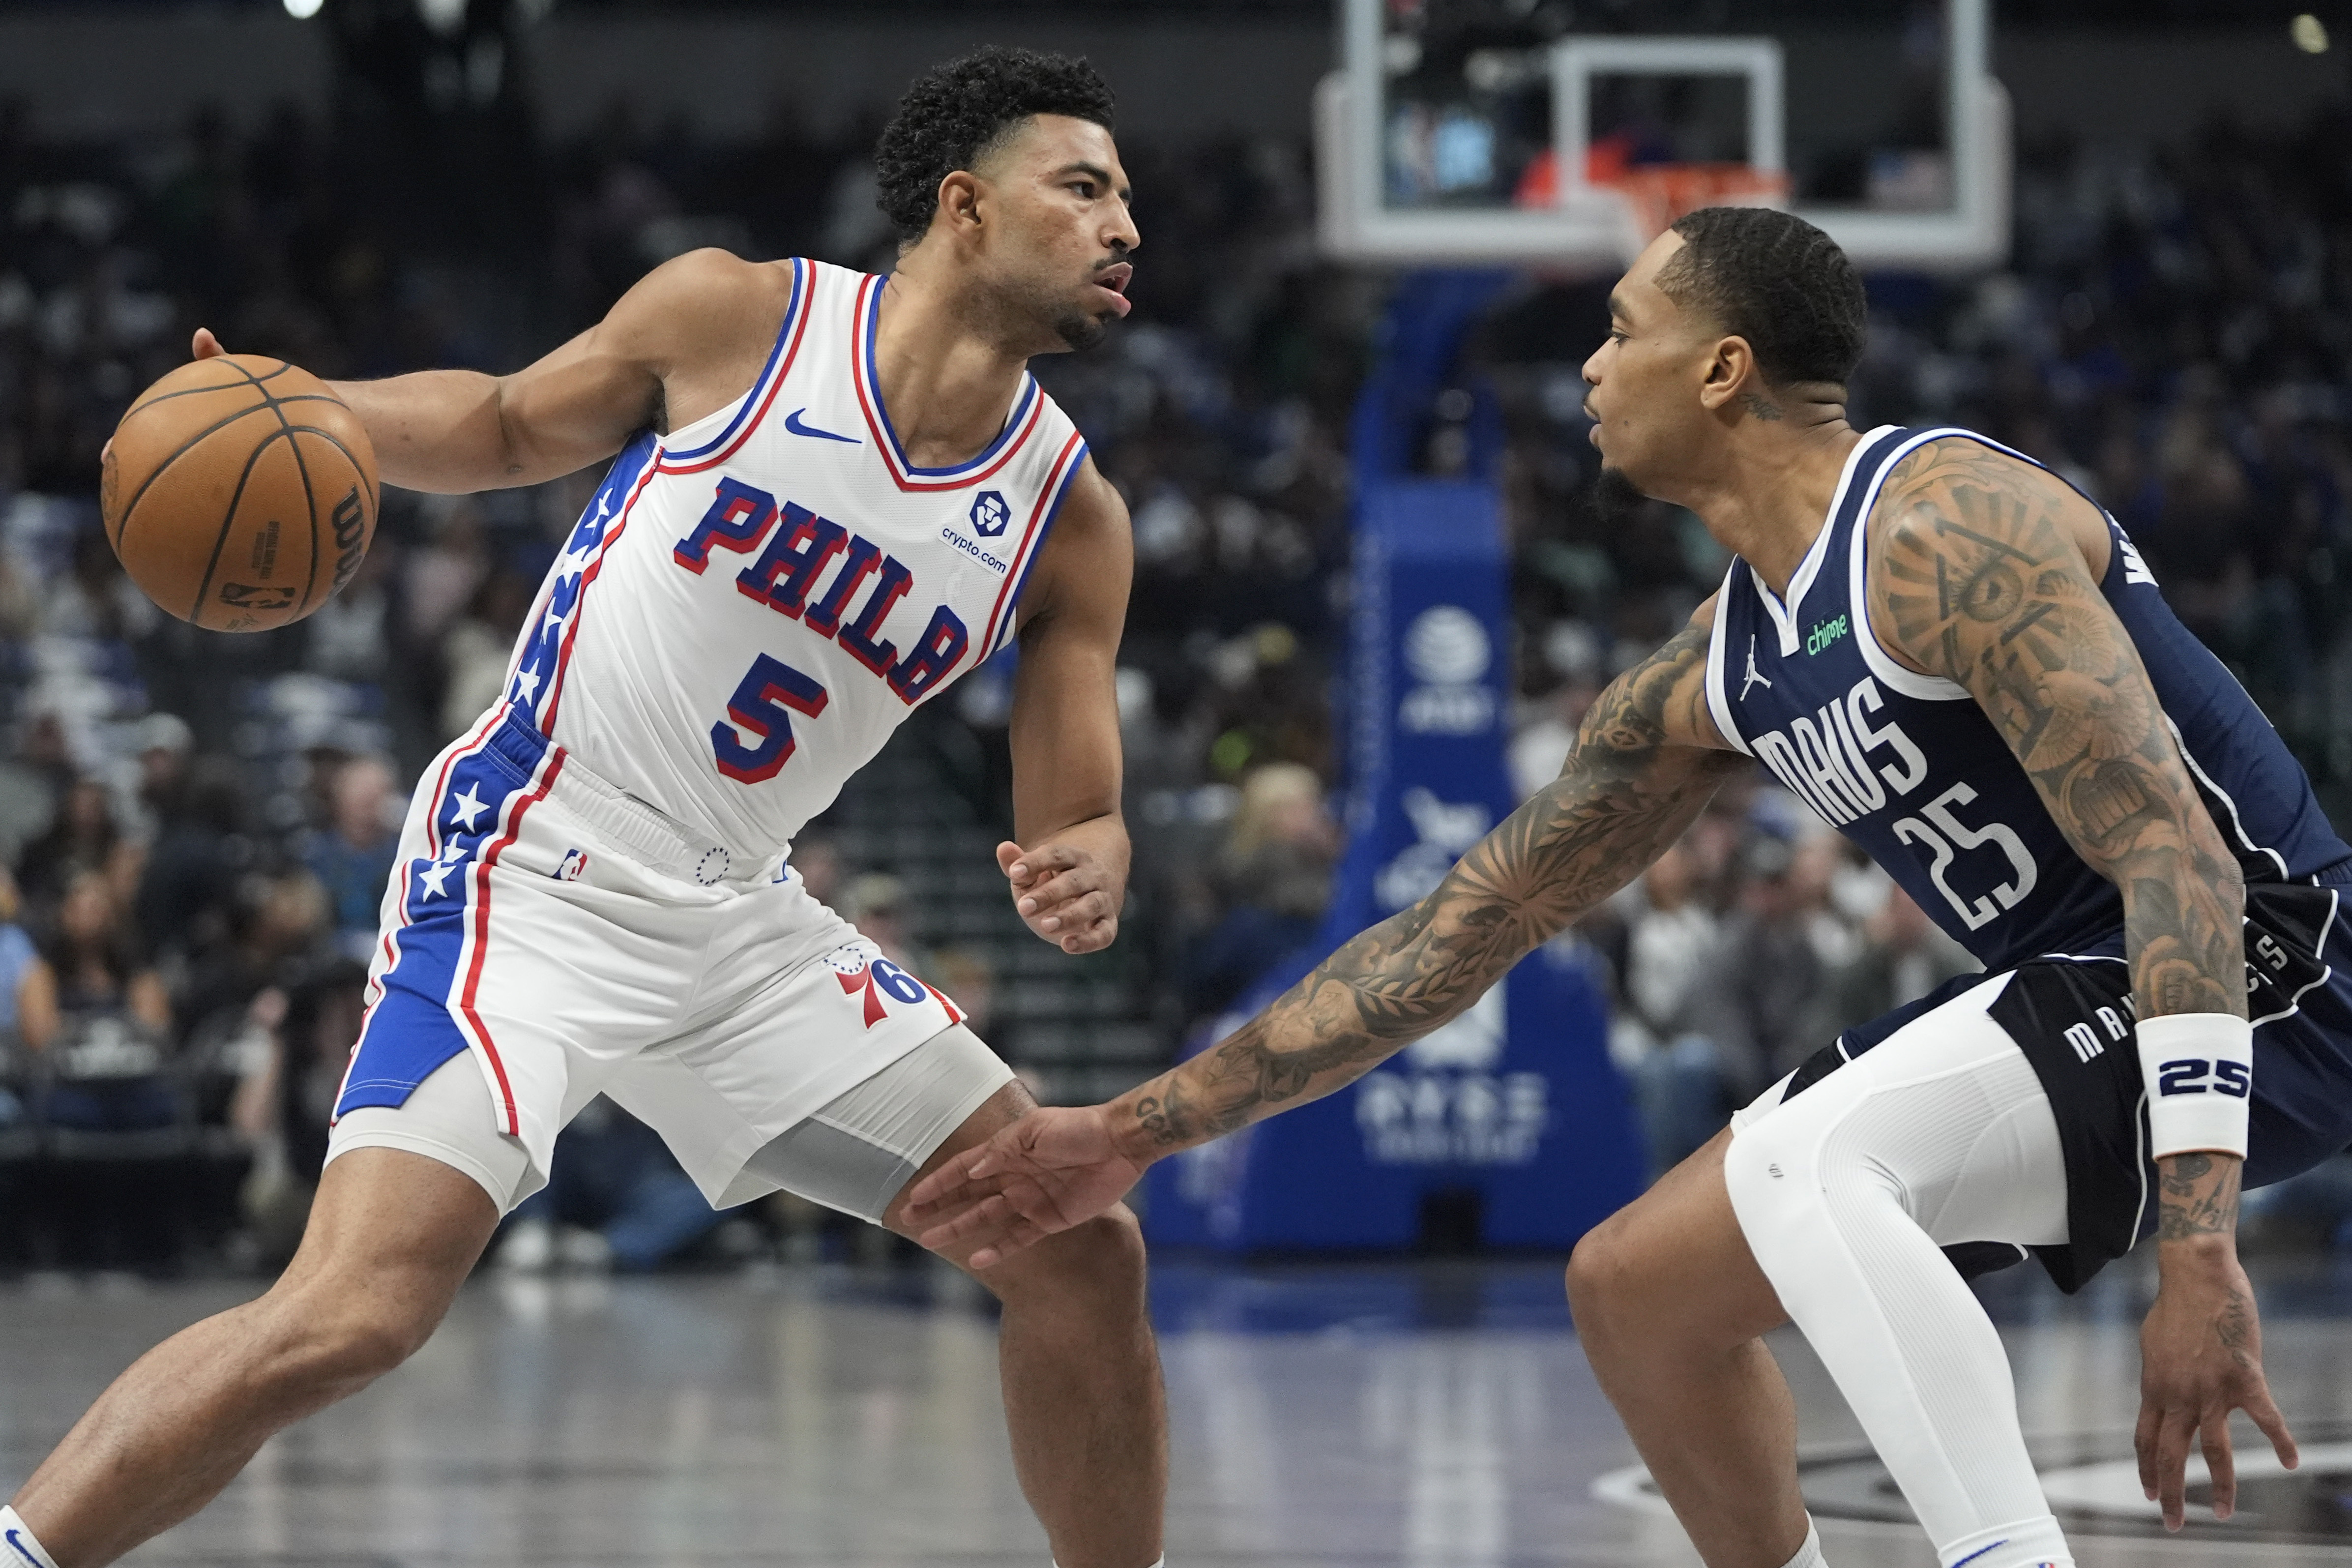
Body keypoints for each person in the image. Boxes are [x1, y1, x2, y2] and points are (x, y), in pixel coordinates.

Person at [904, 207, 2352, 1568]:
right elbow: (1456, 934)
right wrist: (1137, 1131)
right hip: (2082, 990)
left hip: (2276, 967)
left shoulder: (1942, 528)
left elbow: (2178, 860)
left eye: (1619, 328)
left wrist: (2199, 1249)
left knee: (1808, 1165)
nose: (1589, 369)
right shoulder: (1719, 666)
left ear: (1724, 370)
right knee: (1636, 1292)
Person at [3, 47, 1165, 1568]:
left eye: (1127, 196)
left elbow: (1078, 806)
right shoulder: (742, 319)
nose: (1124, 224)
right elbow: (500, 423)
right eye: (1083, 188)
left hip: (740, 921)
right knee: (354, 1315)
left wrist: (1092, 857)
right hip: (531, 864)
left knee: (1079, 1247)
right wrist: (313, 409)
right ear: (966, 207)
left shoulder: (1073, 520)